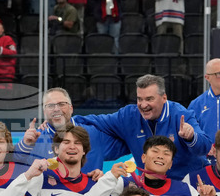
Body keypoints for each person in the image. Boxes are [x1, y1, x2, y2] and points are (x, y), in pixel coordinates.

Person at [80, 74, 210, 180]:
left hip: (189, 185)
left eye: (149, 99)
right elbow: (98, 121)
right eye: (139, 99)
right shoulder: (129, 116)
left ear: (164, 98)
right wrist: (67, 122)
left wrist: (191, 137)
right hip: (150, 186)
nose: (143, 105)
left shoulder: (181, 115)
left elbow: (205, 147)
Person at [15, 87, 123, 172]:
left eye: (62, 104)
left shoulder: (94, 134)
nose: (56, 109)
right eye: (51, 106)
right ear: (44, 112)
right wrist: (24, 145)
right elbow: (10, 166)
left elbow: (130, 141)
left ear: (71, 108)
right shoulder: (34, 140)